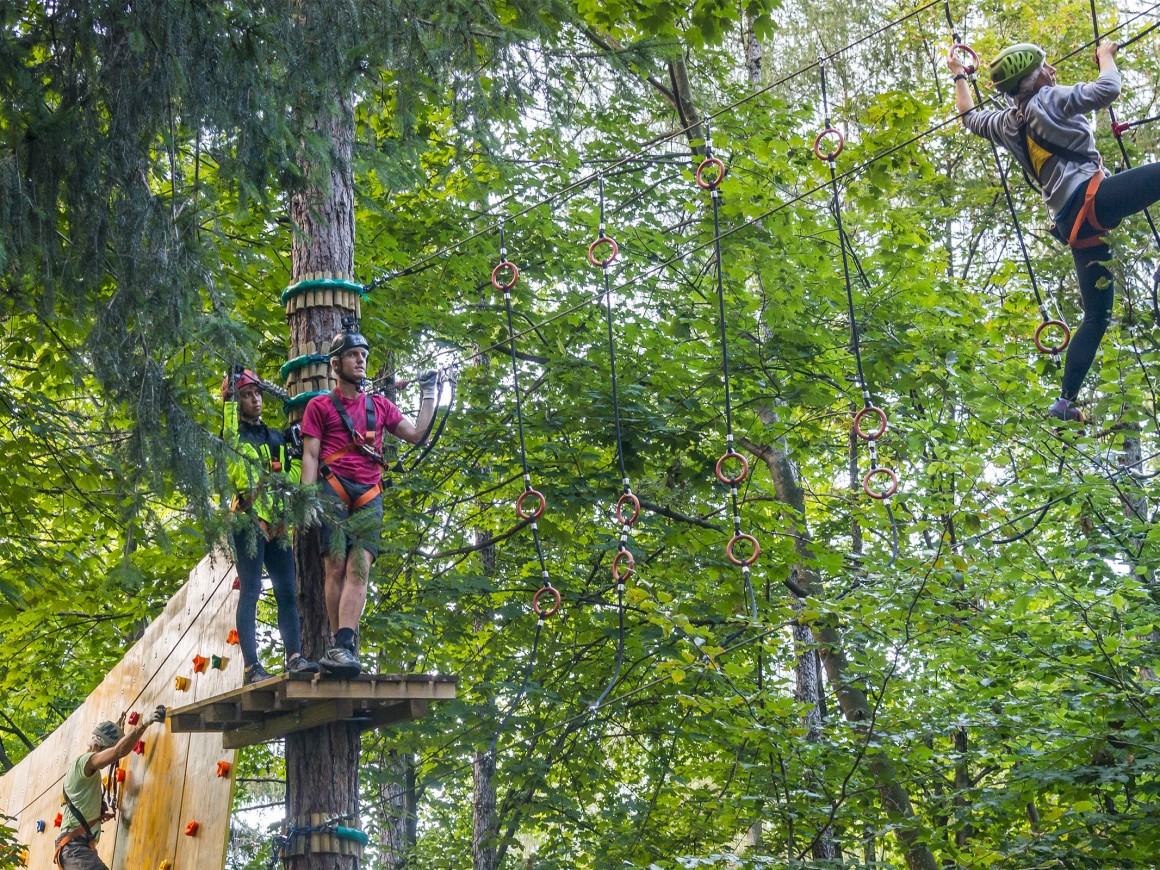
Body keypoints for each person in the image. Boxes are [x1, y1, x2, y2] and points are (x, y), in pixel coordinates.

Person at [948, 40, 1158, 422]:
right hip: (1091, 201)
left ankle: (1065, 402)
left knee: (1097, 318)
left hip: (1075, 225)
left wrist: (959, 74)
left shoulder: (1007, 123)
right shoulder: (1050, 99)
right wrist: (1105, 56)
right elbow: (1108, 89)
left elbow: (966, 115)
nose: (1053, 71)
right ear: (1035, 79)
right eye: (1047, 68)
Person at [300, 319, 438, 677]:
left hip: (369, 494)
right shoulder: (320, 407)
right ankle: (336, 643)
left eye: (364, 355)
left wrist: (429, 393)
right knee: (335, 567)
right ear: (336, 364)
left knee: (359, 567)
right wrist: (308, 499)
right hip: (331, 489)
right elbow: (311, 455)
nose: (361, 361)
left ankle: (343, 646)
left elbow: (417, 434)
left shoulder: (379, 406)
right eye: (353, 355)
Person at [222, 367, 319, 684]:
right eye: (248, 395)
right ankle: (252, 667)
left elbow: (292, 480)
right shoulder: (235, 439)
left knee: (287, 592)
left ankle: (295, 657)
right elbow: (230, 445)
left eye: (258, 394)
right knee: (251, 589)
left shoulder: (276, 438)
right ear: (238, 402)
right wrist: (226, 400)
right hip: (247, 521)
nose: (256, 400)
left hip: (276, 525)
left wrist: (297, 451)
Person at [54, 708, 166, 868]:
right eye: (106, 752)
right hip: (74, 847)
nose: (107, 761)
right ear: (98, 747)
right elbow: (118, 751)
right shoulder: (84, 761)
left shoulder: (85, 771)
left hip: (77, 847)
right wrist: (143, 724)